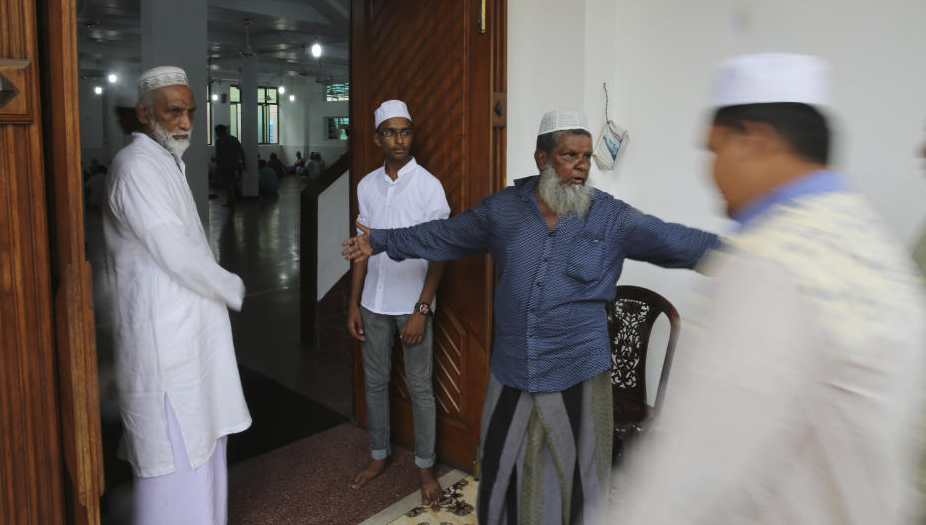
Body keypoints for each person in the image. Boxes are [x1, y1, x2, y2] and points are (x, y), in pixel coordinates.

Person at [343, 107, 718, 524]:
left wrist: (746, 257)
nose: (579, 166)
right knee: (506, 473)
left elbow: (676, 241)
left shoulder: (611, 216)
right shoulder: (503, 210)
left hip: (578, 367)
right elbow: (443, 235)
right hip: (513, 368)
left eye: (586, 157)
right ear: (541, 159)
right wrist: (379, 240)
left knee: (576, 480)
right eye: (568, 155)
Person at [612, 54, 926, 525]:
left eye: (714, 150)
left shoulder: (772, 262)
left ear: (755, 140)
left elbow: (692, 474)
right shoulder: (867, 238)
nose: (711, 171)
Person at [103, 66, 251, 525]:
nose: (185, 122)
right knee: (174, 447)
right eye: (173, 112)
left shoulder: (167, 162)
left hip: (190, 333)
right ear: (144, 114)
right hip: (163, 340)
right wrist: (230, 284)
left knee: (202, 440)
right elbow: (175, 250)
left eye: (189, 111)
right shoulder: (135, 168)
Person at [346, 100, 451, 505]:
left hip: (412, 306)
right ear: (377, 138)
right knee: (375, 383)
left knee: (421, 389)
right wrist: (354, 303)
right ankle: (378, 456)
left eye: (405, 131)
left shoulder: (428, 186)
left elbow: (441, 253)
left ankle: (425, 467)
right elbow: (362, 249)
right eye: (390, 132)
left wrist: (422, 311)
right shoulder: (367, 185)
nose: (399, 139)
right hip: (373, 302)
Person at [214, 123, 245, 207]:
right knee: (232, 182)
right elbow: (241, 151)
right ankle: (230, 201)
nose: (216, 134)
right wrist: (244, 163)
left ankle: (232, 201)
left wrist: (217, 165)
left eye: (216, 132)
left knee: (228, 184)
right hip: (235, 165)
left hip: (225, 166)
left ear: (220, 131)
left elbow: (218, 155)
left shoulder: (219, 141)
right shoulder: (234, 139)